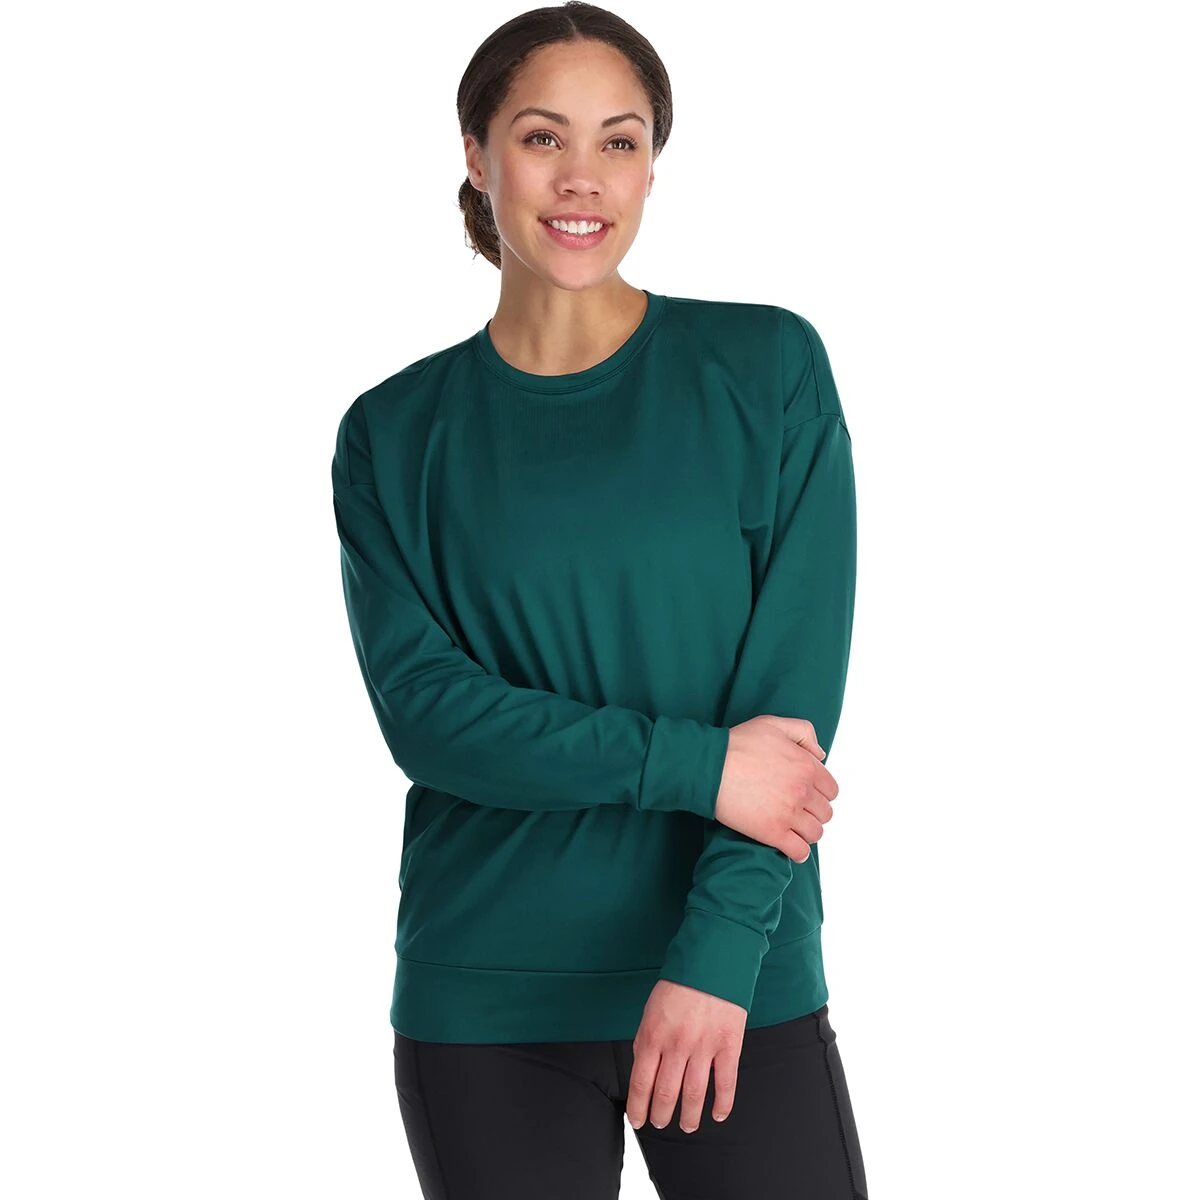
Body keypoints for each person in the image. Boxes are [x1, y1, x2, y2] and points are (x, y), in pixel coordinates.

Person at [330, 4, 868, 1197]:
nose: (582, 178)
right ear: (478, 157)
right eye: (542, 137)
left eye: (619, 141)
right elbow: (432, 719)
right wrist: (700, 766)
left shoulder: (767, 370)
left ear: (651, 167)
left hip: (734, 974)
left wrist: (718, 958)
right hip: (489, 998)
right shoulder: (392, 433)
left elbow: (787, 721)